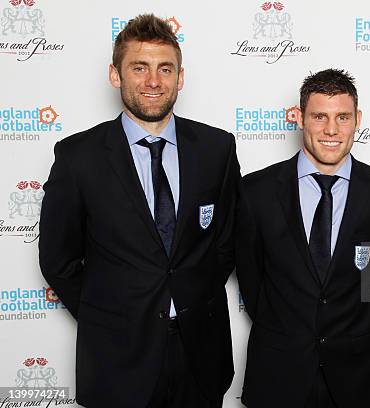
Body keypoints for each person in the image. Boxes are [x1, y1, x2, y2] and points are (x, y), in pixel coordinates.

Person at [38, 14, 238, 408]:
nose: (153, 81)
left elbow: (226, 243)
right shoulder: (79, 157)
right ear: (116, 74)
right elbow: (58, 260)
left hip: (200, 354)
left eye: (165, 69)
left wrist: (192, 301)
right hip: (116, 360)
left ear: (181, 77)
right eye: (139, 68)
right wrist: (109, 317)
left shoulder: (217, 149)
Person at [236, 69, 370, 408]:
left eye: (342, 117)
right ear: (299, 118)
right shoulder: (255, 192)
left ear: (357, 119)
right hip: (278, 373)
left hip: (359, 376)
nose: (331, 130)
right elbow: (251, 280)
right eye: (319, 117)